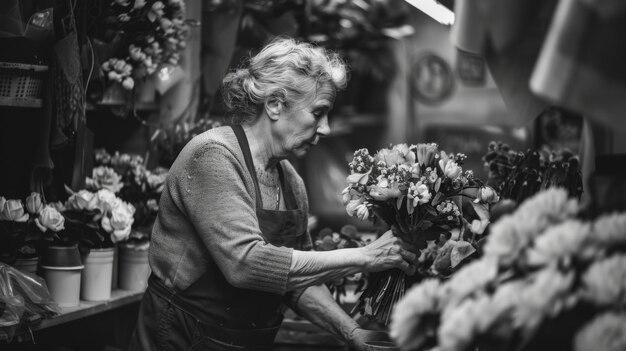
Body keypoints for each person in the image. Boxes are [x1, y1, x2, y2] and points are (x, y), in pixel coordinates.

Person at [129, 37, 417, 351]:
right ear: (275, 104)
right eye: (318, 113)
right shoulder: (213, 157)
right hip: (183, 337)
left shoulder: (290, 181)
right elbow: (247, 264)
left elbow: (295, 283)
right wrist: (366, 256)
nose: (326, 128)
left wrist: (351, 332)